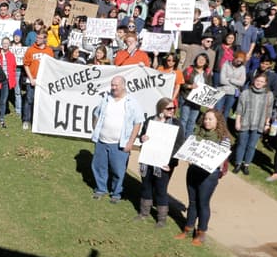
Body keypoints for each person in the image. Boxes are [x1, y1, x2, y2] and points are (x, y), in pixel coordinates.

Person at [176, 108, 231, 245]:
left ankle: (201, 233)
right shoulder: (197, 133)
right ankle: (187, 229)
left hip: (209, 175)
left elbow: (221, 157)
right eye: (205, 119)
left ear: (217, 121)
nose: (207, 121)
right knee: (192, 202)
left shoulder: (223, 139)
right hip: (193, 171)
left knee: (203, 203)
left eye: (210, 119)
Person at [90, 75, 144, 203]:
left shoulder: (131, 102)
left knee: (118, 170)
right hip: (102, 140)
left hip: (119, 143)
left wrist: (130, 142)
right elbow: (96, 114)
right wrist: (95, 129)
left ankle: (116, 193)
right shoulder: (106, 99)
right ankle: (100, 189)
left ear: (123, 86)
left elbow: (138, 122)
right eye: (112, 85)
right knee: (99, 166)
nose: (113, 88)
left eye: (116, 85)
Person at [138, 97, 181, 227]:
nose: (172, 110)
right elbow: (142, 135)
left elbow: (179, 145)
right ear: (161, 109)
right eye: (169, 108)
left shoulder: (177, 124)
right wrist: (142, 138)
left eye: (173, 108)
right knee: (146, 186)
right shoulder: (150, 121)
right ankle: (144, 213)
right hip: (148, 160)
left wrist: (170, 162)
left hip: (164, 164)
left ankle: (161, 219)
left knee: (161, 190)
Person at [232, 72, 275, 176]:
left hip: (259, 123)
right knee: (241, 144)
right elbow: (239, 108)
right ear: (254, 80)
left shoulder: (269, 95)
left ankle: (246, 165)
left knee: (251, 146)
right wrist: (238, 121)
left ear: (265, 83)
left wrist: (267, 124)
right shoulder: (246, 92)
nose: (259, 83)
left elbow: (269, 111)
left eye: (261, 81)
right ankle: (238, 163)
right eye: (257, 80)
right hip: (245, 122)